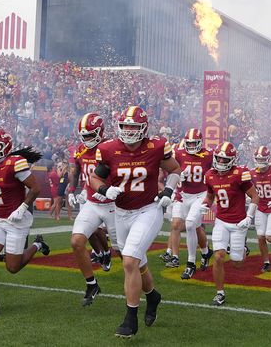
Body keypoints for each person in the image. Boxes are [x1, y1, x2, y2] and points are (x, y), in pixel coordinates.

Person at [89, 106, 181, 338]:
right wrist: (104, 189)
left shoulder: (156, 146)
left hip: (148, 210)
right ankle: (152, 295)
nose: (129, 131)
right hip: (121, 212)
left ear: (143, 128)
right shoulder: (109, 149)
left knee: (130, 260)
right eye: (125, 126)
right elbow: (95, 176)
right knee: (137, 263)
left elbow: (175, 169)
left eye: (133, 126)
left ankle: (130, 319)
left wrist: (168, 191)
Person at [0, 128, 49, 317]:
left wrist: (22, 208)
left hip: (17, 219)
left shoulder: (15, 163)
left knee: (12, 267)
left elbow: (35, 188)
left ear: (5, 146)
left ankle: (37, 244)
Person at [194, 142, 258, 305]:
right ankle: (220, 292)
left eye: (225, 159)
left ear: (232, 160)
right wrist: (205, 205)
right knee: (219, 256)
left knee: (237, 262)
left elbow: (255, 196)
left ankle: (243, 249)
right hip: (221, 221)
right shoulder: (209, 174)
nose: (221, 162)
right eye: (219, 159)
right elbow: (210, 196)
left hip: (238, 223)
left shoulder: (239, 174)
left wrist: (249, 217)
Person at [66, 113, 117, 306]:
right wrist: (72, 190)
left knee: (124, 250)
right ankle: (92, 284)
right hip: (91, 202)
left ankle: (143, 285)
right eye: (83, 135)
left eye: (90, 135)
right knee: (77, 241)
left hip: (112, 204)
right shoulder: (79, 150)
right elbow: (76, 170)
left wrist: (111, 190)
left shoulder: (110, 148)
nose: (86, 139)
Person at [166, 129, 213, 279]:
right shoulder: (178, 153)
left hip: (200, 194)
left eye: (194, 143)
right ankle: (206, 252)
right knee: (195, 227)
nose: (192, 146)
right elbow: (171, 171)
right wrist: (179, 176)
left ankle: (190, 263)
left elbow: (217, 171)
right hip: (183, 195)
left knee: (191, 224)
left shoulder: (208, 155)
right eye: (189, 143)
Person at [251, 145, 271, 272]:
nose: (260, 162)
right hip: (260, 208)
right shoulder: (252, 173)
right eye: (258, 159)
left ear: (268, 159)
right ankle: (266, 262)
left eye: (262, 159)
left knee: (269, 237)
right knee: (260, 237)